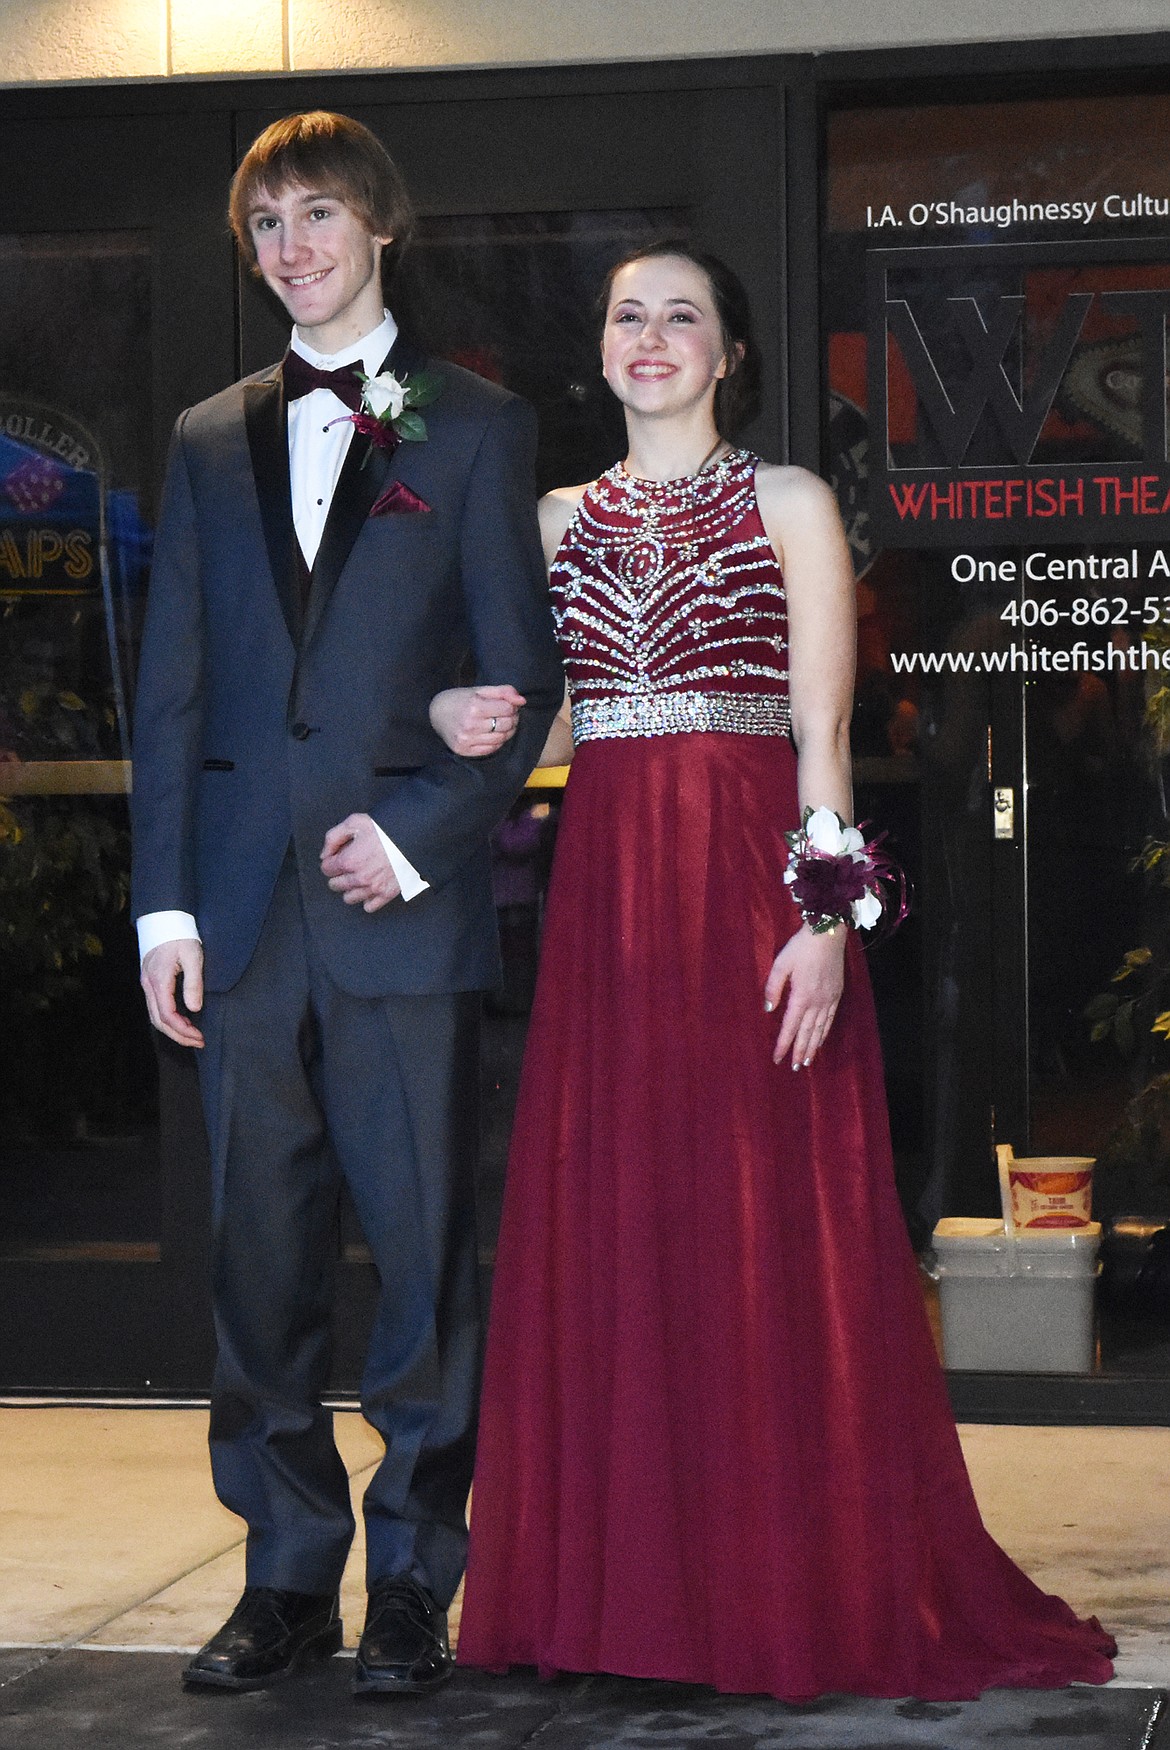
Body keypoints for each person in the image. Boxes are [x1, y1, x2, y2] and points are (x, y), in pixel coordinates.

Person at [431, 243, 1116, 1699]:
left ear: (729, 352)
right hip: (607, 913)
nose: (654, 336)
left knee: (762, 1241)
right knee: (621, 1233)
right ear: (602, 352)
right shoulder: (550, 519)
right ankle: (619, 1601)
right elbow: (553, 739)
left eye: (685, 314)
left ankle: (773, 1586)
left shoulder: (789, 501)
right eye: (630, 315)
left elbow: (821, 746)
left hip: (752, 910)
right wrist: (460, 715)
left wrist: (825, 924)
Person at [131, 111, 562, 1696]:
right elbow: (170, 688)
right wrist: (161, 915)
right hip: (239, 928)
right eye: (266, 227)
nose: (292, 247)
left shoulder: (474, 426)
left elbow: (522, 675)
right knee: (258, 1271)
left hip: (398, 914)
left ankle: (413, 1584)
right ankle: (287, 1578)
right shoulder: (200, 434)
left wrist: (421, 830)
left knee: (424, 1266)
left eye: (318, 216)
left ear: (379, 226)